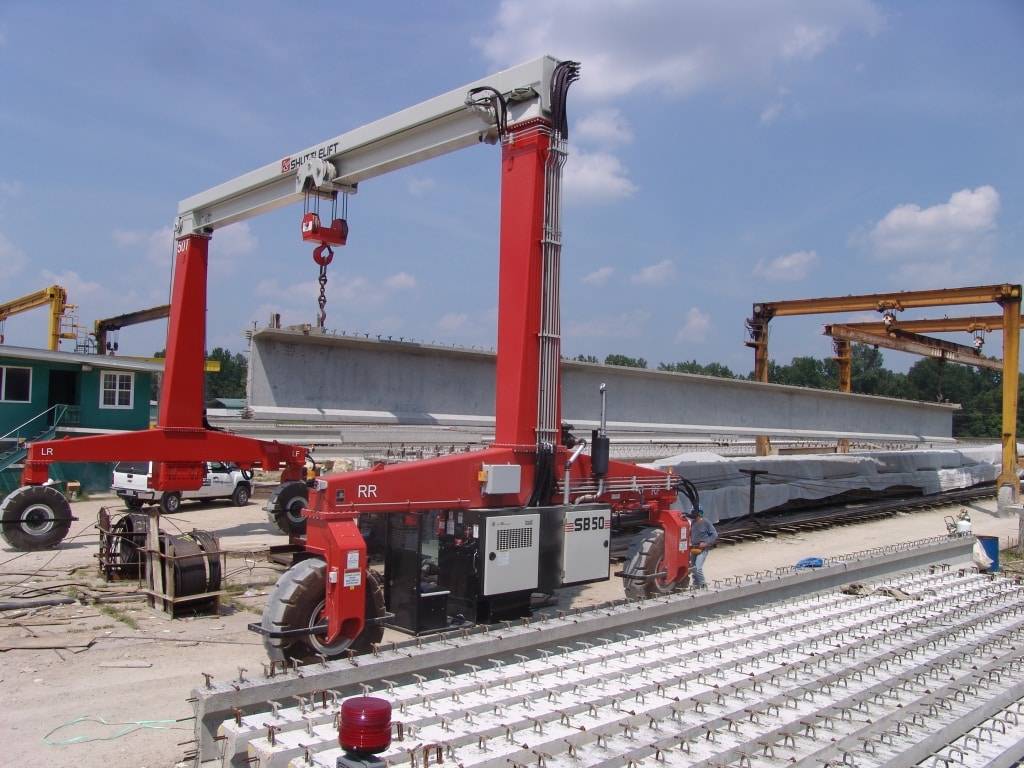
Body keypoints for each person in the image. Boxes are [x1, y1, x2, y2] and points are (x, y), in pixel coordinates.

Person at [689, 505, 718, 589]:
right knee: (693, 569)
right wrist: (690, 542)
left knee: (697, 568)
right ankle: (696, 586)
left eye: (693, 512)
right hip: (694, 548)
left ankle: (703, 585)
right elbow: (691, 534)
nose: (692, 513)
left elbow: (714, 535)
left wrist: (706, 543)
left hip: (702, 549)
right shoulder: (693, 523)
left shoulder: (706, 522)